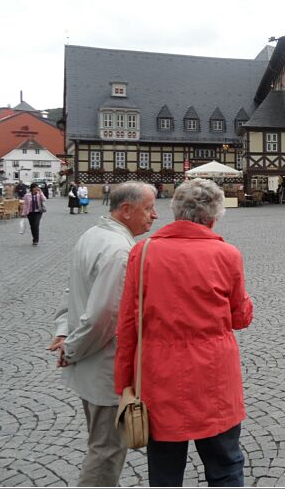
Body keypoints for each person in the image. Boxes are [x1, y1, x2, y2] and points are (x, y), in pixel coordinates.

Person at [115, 178, 254, 487]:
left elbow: (127, 323)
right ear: (213, 217)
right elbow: (240, 318)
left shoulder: (143, 252)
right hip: (214, 376)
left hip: (159, 377)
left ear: (176, 211)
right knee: (225, 465)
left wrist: (124, 382)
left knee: (165, 472)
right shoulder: (227, 254)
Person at [48, 182, 158, 487]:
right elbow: (103, 318)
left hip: (90, 366)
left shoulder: (92, 235)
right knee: (106, 451)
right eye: (149, 208)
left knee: (100, 443)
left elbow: (71, 290)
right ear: (125, 210)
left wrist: (62, 331)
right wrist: (70, 348)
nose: (155, 215)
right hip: (105, 368)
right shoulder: (120, 252)